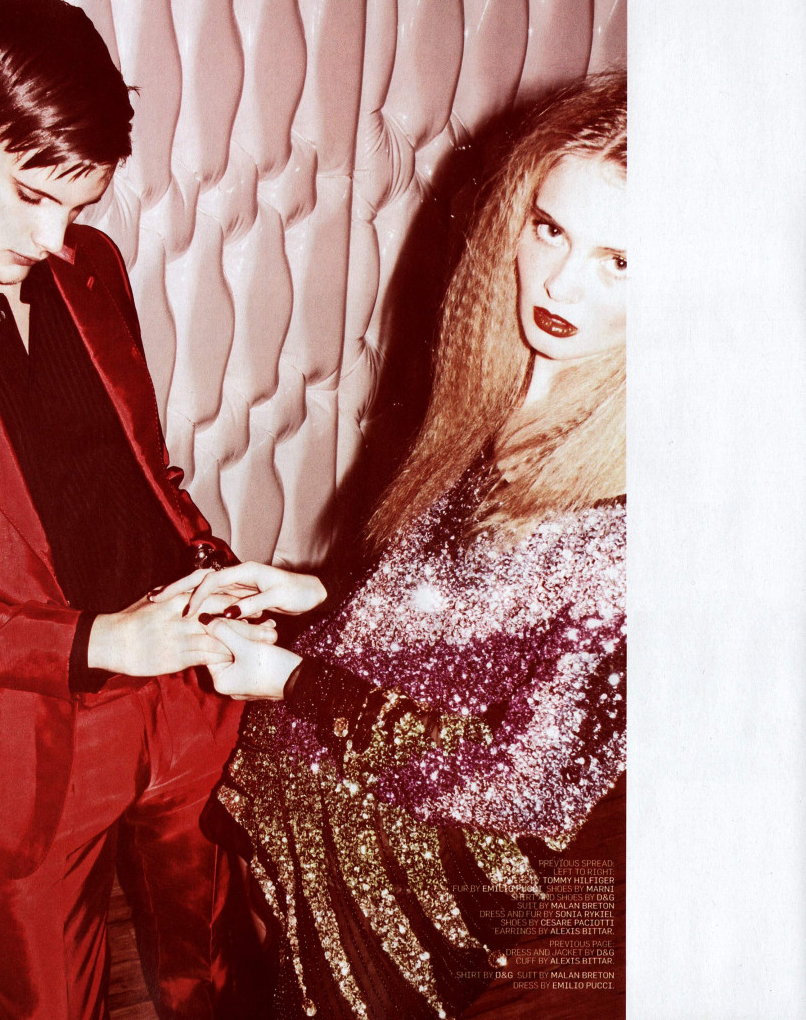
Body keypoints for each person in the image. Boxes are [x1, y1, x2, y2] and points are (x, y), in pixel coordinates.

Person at [154, 72, 627, 1019]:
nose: (561, 282)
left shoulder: (638, 514)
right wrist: (315, 599)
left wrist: (298, 683)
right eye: (550, 229)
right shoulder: (514, 388)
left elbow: (520, 780)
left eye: (621, 261)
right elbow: (472, 615)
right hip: (355, 851)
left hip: (471, 914)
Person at [0, 0, 274, 1020]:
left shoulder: (89, 264)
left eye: (79, 204)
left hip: (185, 693)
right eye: (31, 195)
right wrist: (95, 643)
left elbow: (140, 470)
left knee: (216, 972)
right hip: (28, 736)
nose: (54, 236)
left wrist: (208, 571)